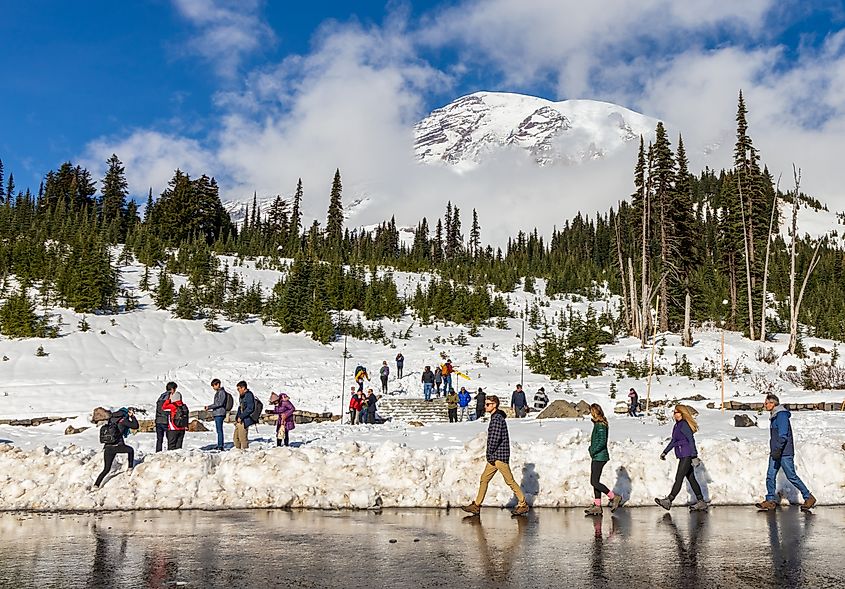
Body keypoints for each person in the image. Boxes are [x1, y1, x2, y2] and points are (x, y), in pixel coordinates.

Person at [461, 395, 529, 516]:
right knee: (484, 479)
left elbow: (495, 438)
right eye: (485, 404)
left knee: (510, 481)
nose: (485, 406)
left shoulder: (497, 418)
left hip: (498, 456)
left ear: (494, 405)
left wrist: (489, 453)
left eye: (488, 404)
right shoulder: (495, 417)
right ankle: (476, 505)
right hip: (495, 457)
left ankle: (523, 504)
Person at [756, 394, 816, 511]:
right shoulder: (774, 415)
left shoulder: (781, 415)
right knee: (770, 475)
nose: (765, 405)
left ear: (773, 403)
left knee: (791, 476)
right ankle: (770, 500)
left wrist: (778, 449)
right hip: (776, 452)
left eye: (767, 403)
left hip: (784, 453)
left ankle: (808, 497)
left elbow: (783, 435)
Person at [655, 405, 707, 511]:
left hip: (687, 455)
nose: (674, 414)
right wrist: (665, 452)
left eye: (676, 412)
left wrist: (694, 456)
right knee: (691, 478)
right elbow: (674, 441)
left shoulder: (684, 425)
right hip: (682, 454)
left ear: (681, 413)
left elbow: (691, 440)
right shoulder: (677, 425)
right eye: (674, 412)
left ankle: (669, 500)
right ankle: (701, 501)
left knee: (679, 478)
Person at [584, 404, 622, 515]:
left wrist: (592, 450)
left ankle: (614, 497)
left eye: (592, 411)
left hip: (599, 456)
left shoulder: (600, 425)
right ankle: (597, 505)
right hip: (597, 456)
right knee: (595, 481)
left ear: (595, 412)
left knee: (594, 481)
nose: (590, 413)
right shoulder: (598, 424)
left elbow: (602, 442)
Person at [94, 407, 139, 488]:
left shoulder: (110, 419)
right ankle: (130, 468)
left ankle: (96, 485)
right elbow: (135, 426)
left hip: (108, 447)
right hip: (118, 445)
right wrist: (132, 416)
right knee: (130, 450)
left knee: (106, 469)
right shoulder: (123, 420)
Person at [205, 378, 229, 451]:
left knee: (219, 430)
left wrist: (209, 407)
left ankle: (220, 445)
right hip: (217, 413)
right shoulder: (219, 392)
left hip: (220, 413)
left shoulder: (221, 392)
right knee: (218, 430)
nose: (213, 388)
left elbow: (219, 403)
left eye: (214, 386)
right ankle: (219, 444)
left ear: (218, 384)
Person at [154, 382, 176, 452]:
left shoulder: (161, 396)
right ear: (172, 389)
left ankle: (158, 452)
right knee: (170, 438)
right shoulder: (170, 397)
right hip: (166, 421)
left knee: (159, 439)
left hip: (158, 420)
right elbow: (168, 409)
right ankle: (170, 453)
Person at [234, 380, 256, 449]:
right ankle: (238, 453)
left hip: (245, 420)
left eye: (239, 389)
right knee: (236, 438)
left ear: (243, 388)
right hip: (240, 420)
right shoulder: (242, 396)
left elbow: (250, 408)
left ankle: (245, 454)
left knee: (243, 439)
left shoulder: (249, 395)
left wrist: (241, 417)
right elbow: (241, 407)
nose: (238, 390)